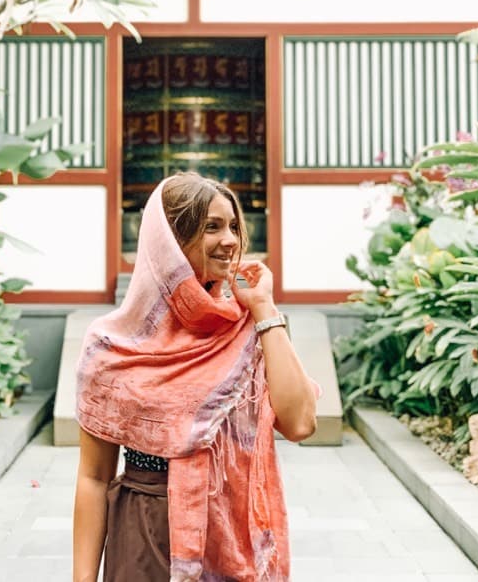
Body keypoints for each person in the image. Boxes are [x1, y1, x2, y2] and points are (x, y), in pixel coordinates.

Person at [73, 172, 319, 582]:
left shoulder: (249, 330)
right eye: (212, 227)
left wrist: (264, 310)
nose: (231, 240)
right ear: (169, 243)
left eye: (234, 226)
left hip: (233, 536)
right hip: (146, 532)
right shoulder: (112, 346)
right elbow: (93, 477)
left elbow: (301, 423)